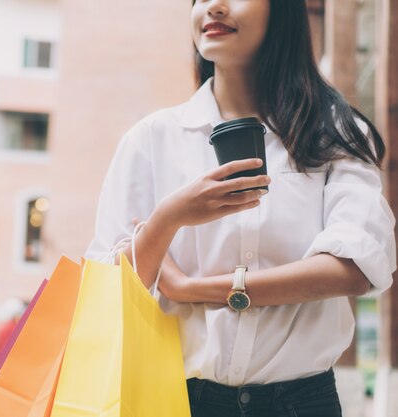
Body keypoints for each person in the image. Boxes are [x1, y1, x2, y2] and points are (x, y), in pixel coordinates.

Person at [85, 1, 396, 416]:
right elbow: (107, 292)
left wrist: (191, 290)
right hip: (174, 401)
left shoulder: (334, 131)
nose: (213, 7)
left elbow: (354, 269)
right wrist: (169, 218)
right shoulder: (151, 140)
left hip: (302, 404)